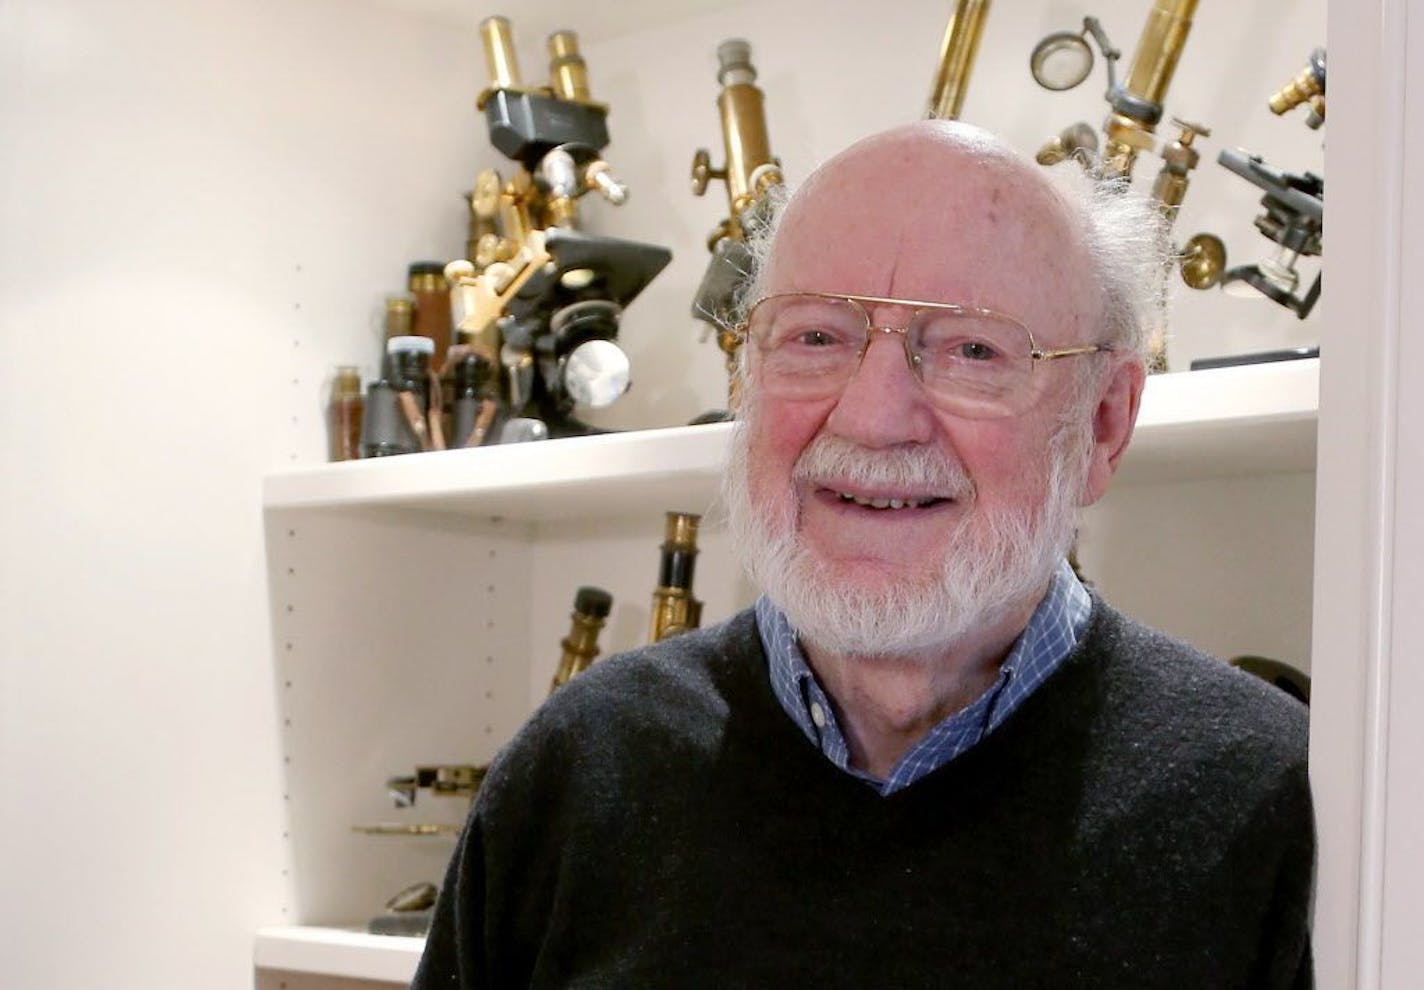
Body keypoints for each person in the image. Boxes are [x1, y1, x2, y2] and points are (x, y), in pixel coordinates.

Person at [412, 120, 1314, 989]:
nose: (872, 417)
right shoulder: (580, 769)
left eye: (970, 349)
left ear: (1105, 422)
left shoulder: (1270, 800)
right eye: (815, 337)